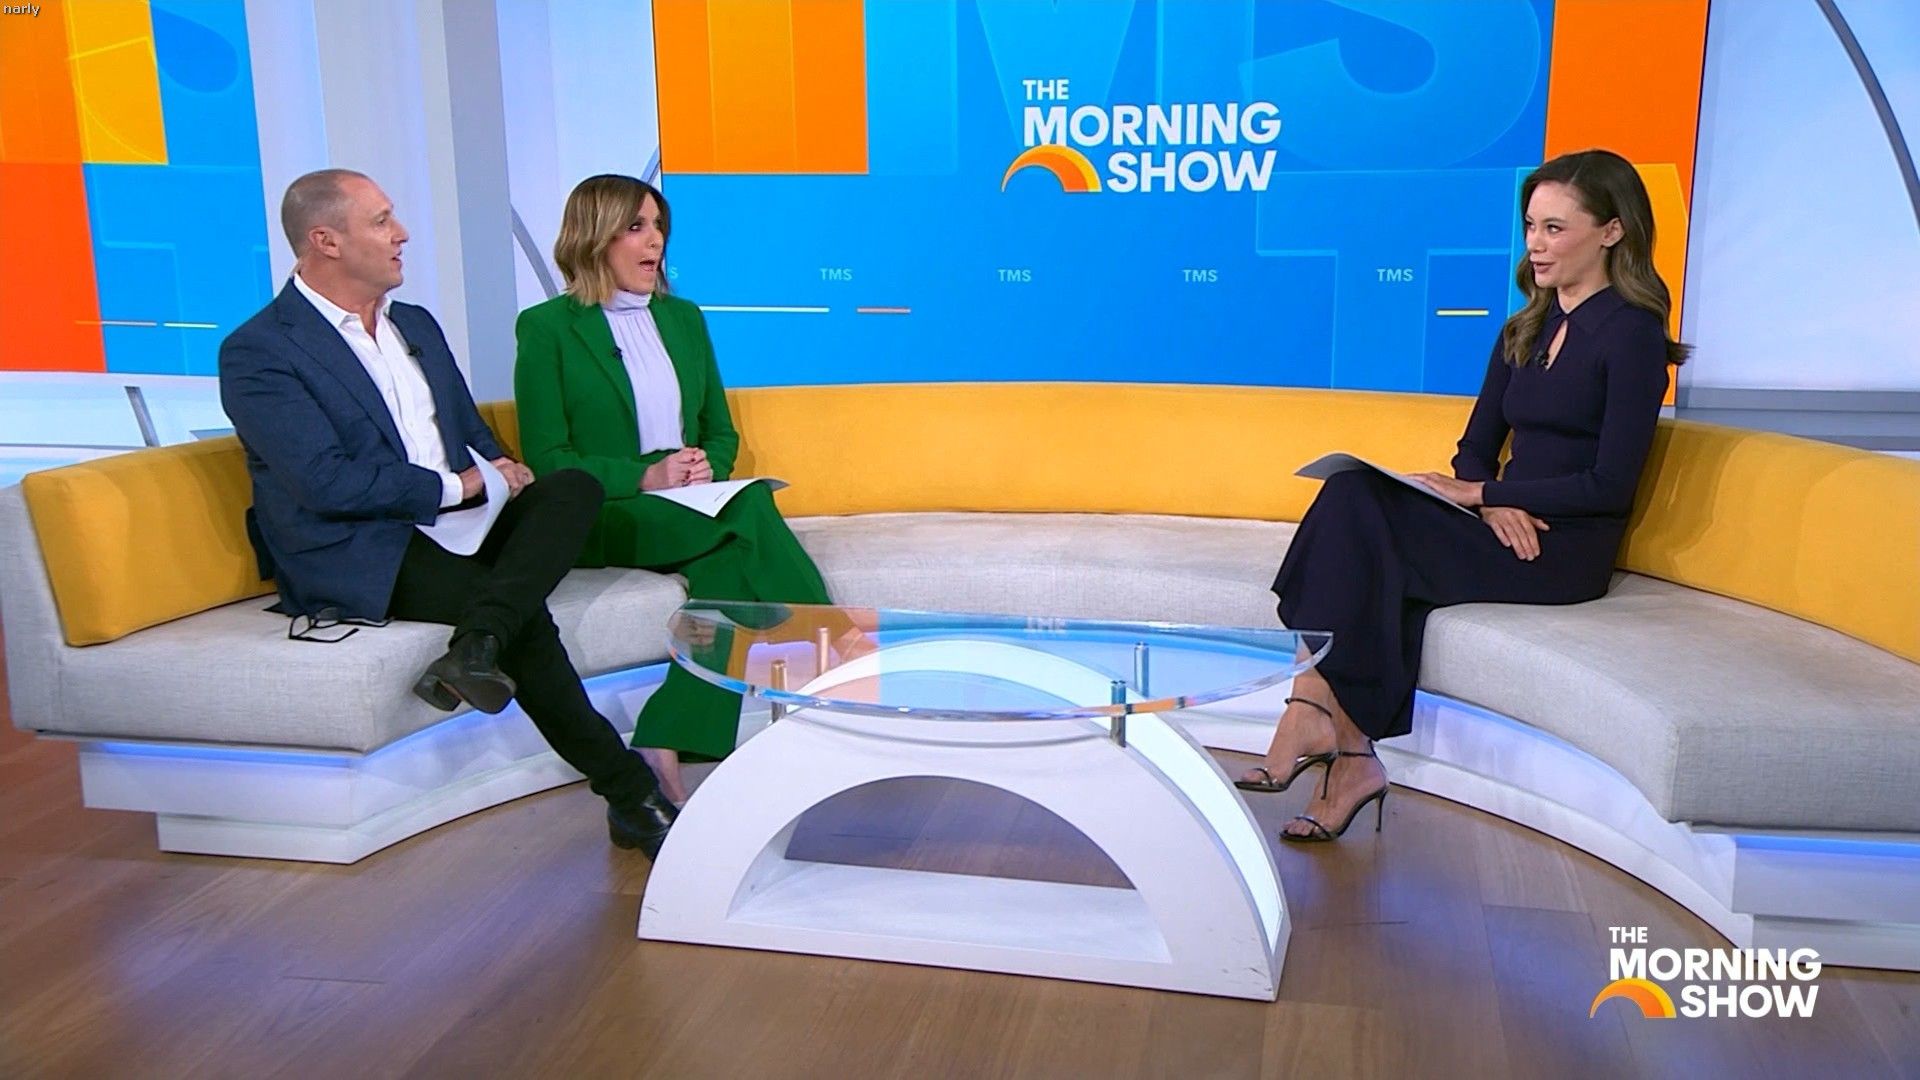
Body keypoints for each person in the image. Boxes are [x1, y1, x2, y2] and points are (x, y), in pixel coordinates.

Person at [219, 168, 678, 856]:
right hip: (363, 544)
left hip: (466, 518)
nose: (401, 234)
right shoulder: (260, 351)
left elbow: (467, 431)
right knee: (522, 618)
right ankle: (631, 793)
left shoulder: (414, 324)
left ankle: (475, 646)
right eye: (381, 221)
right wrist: (459, 488)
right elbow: (325, 483)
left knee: (574, 488)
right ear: (326, 241)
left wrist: (502, 468)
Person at [1244, 149, 1689, 842]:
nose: (1536, 244)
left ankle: (1321, 721)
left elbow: (1609, 485)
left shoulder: (1630, 337)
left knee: (1363, 524)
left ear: (1612, 231)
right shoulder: (1525, 327)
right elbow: (1476, 444)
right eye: (1531, 226)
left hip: (1559, 549)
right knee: (1351, 492)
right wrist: (1491, 497)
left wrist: (1484, 491)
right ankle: (1340, 744)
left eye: (1555, 228)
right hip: (1502, 522)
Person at [514, 174, 832, 805]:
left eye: (658, 225)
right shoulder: (546, 328)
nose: (654, 240)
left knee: (727, 570)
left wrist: (705, 466)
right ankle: (837, 673)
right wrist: (647, 475)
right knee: (751, 502)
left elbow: (719, 429)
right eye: (636, 227)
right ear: (594, 237)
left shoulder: (683, 319)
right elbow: (550, 462)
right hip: (609, 512)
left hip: (689, 507)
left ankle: (661, 739)